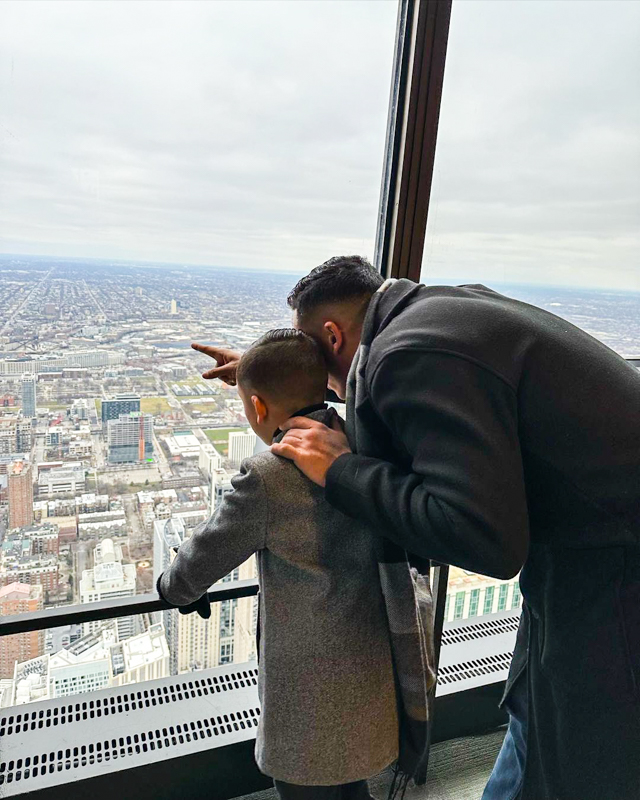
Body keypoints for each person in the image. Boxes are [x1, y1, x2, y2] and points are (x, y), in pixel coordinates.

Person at [193, 256, 640, 800]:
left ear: (333, 334)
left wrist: (341, 470)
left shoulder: (406, 354)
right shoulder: (440, 311)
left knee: (578, 745)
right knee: (538, 717)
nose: (322, 381)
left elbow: (485, 540)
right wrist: (265, 376)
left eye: (317, 358)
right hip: (591, 536)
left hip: (616, 563)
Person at [158, 328, 433, 800]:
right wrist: (260, 370)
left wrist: (172, 587)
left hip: (307, 693)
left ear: (257, 407)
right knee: (354, 785)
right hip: (372, 663)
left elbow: (203, 556)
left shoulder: (269, 476)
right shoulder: (362, 441)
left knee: (308, 788)